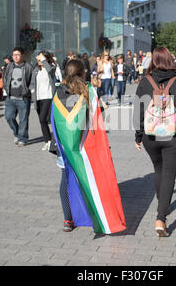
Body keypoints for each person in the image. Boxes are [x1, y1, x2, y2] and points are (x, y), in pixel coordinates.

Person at [51, 59, 126, 234]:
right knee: (92, 179)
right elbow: (96, 117)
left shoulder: (57, 93)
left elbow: (53, 119)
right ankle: (96, 214)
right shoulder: (88, 92)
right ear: (83, 73)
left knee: (67, 179)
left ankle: (68, 220)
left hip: (64, 146)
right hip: (84, 147)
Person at [134, 47, 176, 237]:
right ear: (170, 60)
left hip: (151, 138)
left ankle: (163, 202)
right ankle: (161, 217)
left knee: (159, 170)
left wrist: (138, 136)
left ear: (153, 61)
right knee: (169, 174)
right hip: (173, 136)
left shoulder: (145, 82)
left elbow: (137, 112)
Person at [3, 47, 34, 147]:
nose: (15, 57)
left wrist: (28, 92)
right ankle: (17, 133)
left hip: (23, 98)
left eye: (18, 55)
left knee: (23, 119)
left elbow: (32, 81)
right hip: (10, 98)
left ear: (22, 56)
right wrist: (6, 89)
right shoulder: (9, 66)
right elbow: (5, 78)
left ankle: (23, 138)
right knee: (9, 117)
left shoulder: (28, 67)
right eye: (14, 55)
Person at [31, 51, 56, 151]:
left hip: (48, 96)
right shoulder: (36, 69)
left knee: (43, 119)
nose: (40, 61)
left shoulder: (51, 67)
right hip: (38, 98)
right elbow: (32, 83)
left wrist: (44, 60)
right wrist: (31, 90)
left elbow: (50, 71)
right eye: (39, 59)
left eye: (42, 59)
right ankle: (48, 141)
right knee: (42, 121)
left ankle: (52, 141)